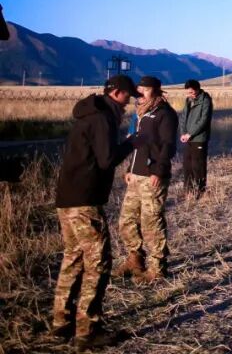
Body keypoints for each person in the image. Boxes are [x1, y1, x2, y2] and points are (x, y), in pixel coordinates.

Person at [50, 75, 138, 350]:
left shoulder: (89, 114)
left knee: (74, 257)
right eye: (128, 96)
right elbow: (106, 159)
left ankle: (61, 322)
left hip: (67, 198)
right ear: (117, 93)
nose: (128, 102)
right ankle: (88, 331)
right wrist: (131, 143)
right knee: (98, 262)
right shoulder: (102, 119)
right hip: (85, 201)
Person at [117, 76, 177, 283]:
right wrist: (129, 168)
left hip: (152, 176)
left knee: (151, 222)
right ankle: (135, 259)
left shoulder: (164, 113)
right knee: (127, 220)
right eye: (139, 88)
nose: (140, 92)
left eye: (146, 88)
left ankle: (157, 268)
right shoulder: (140, 114)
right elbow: (136, 145)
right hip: (135, 175)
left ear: (156, 91)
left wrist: (158, 171)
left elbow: (168, 145)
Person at [178, 79, 213, 200]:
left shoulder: (205, 100)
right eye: (188, 92)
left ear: (197, 89)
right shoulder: (188, 100)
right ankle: (188, 191)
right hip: (187, 137)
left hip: (199, 138)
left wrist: (190, 133)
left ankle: (201, 191)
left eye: (192, 92)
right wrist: (183, 133)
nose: (190, 94)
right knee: (187, 165)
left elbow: (204, 120)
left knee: (198, 166)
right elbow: (183, 117)